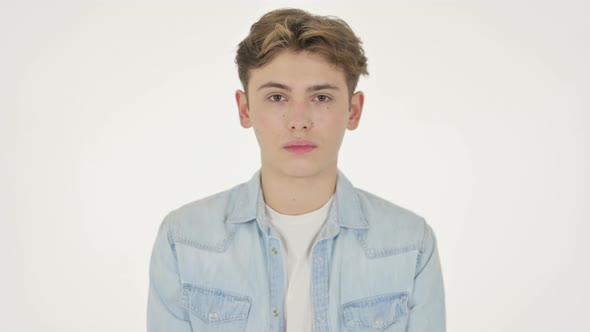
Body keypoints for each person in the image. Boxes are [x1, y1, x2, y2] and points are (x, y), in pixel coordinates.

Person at [147, 8, 446, 332]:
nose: (299, 120)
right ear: (245, 109)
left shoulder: (410, 244)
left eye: (321, 97)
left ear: (353, 111)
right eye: (277, 97)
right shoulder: (185, 239)